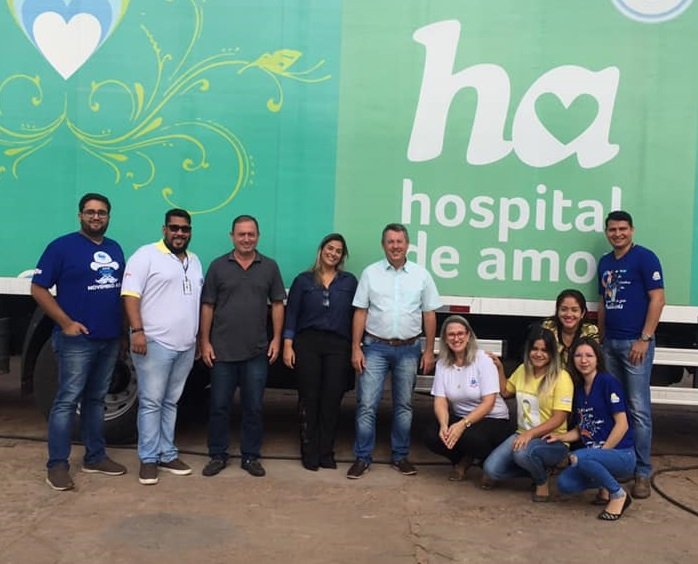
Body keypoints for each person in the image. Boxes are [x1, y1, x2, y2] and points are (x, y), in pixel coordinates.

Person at [31, 193, 127, 491]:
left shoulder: (114, 248)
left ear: (109, 216)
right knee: (66, 401)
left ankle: (94, 457)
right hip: (77, 342)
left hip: (109, 338)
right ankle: (57, 465)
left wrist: (123, 332)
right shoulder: (61, 247)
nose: (96, 217)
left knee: (96, 400)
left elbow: (120, 293)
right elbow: (38, 288)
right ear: (80, 215)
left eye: (102, 212)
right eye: (90, 212)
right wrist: (66, 323)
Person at [347, 223, 441, 479]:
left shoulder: (421, 275)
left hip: (409, 349)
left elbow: (429, 314)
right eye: (390, 242)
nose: (395, 246)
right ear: (383, 245)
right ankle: (362, 457)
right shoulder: (370, 273)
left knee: (404, 405)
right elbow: (361, 312)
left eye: (400, 241)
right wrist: (356, 348)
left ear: (407, 244)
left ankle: (400, 456)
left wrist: (429, 351)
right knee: (367, 405)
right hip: (375, 347)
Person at [121, 209, 203, 485]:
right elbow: (130, 295)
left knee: (170, 401)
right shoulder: (146, 255)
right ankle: (148, 459)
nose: (180, 233)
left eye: (185, 229)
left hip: (185, 345)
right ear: (164, 229)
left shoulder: (194, 261)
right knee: (151, 402)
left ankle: (167, 454)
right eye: (174, 228)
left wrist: (196, 339)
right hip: (155, 342)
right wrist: (137, 331)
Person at [199, 215, 285, 478]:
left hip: (256, 352)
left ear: (258, 236)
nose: (246, 239)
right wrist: (205, 341)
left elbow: (278, 304)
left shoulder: (269, 267)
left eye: (251, 234)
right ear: (232, 236)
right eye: (241, 234)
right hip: (222, 351)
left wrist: (277, 339)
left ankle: (251, 456)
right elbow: (208, 305)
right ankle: (217, 455)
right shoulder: (218, 266)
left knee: (253, 407)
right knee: (219, 406)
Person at [598, 210, 665, 499]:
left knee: (638, 409)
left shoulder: (645, 258)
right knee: (616, 407)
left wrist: (644, 338)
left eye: (622, 229)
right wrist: (601, 338)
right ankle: (619, 464)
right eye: (612, 230)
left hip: (635, 345)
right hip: (610, 344)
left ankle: (642, 472)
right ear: (607, 232)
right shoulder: (605, 262)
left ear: (632, 230)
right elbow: (603, 301)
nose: (618, 234)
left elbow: (658, 299)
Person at [283, 234, 358, 471]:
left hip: (338, 345)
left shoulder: (349, 282)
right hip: (308, 343)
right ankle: (309, 451)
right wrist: (288, 344)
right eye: (330, 248)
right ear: (321, 250)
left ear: (342, 256)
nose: (333, 253)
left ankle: (326, 451)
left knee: (332, 399)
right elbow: (292, 314)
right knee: (309, 397)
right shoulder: (303, 280)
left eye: (338, 251)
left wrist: (356, 347)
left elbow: (356, 315)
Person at [482, 327, 573, 501]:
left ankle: (541, 481)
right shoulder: (523, 369)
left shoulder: (562, 377)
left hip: (552, 439)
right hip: (522, 434)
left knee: (522, 454)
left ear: (552, 353)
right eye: (535, 349)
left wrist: (530, 434)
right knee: (492, 470)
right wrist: (499, 368)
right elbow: (505, 391)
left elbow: (559, 418)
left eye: (544, 350)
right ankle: (538, 469)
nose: (538, 354)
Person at [548, 337, 635, 521]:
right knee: (564, 484)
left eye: (589, 355)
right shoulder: (579, 389)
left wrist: (601, 454)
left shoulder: (608, 382)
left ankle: (618, 495)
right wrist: (559, 437)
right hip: (595, 455)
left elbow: (623, 424)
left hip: (621, 454)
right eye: (578, 355)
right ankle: (604, 487)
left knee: (579, 457)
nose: (583, 360)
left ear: (598, 359)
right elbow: (583, 428)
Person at [423, 316, 511, 481]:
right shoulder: (442, 363)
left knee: (470, 438)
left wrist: (462, 425)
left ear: (469, 335)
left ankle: (488, 464)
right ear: (445, 339)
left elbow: (489, 402)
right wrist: (444, 425)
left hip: (493, 418)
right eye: (451, 335)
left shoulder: (483, 360)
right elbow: (440, 400)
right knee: (432, 435)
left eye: (460, 333)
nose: (456, 338)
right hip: (463, 417)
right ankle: (462, 460)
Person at [542, 289, 599, 365]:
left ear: (582, 313)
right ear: (557, 311)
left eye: (574, 310)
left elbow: (593, 362)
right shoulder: (548, 327)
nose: (568, 314)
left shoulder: (590, 331)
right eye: (564, 309)